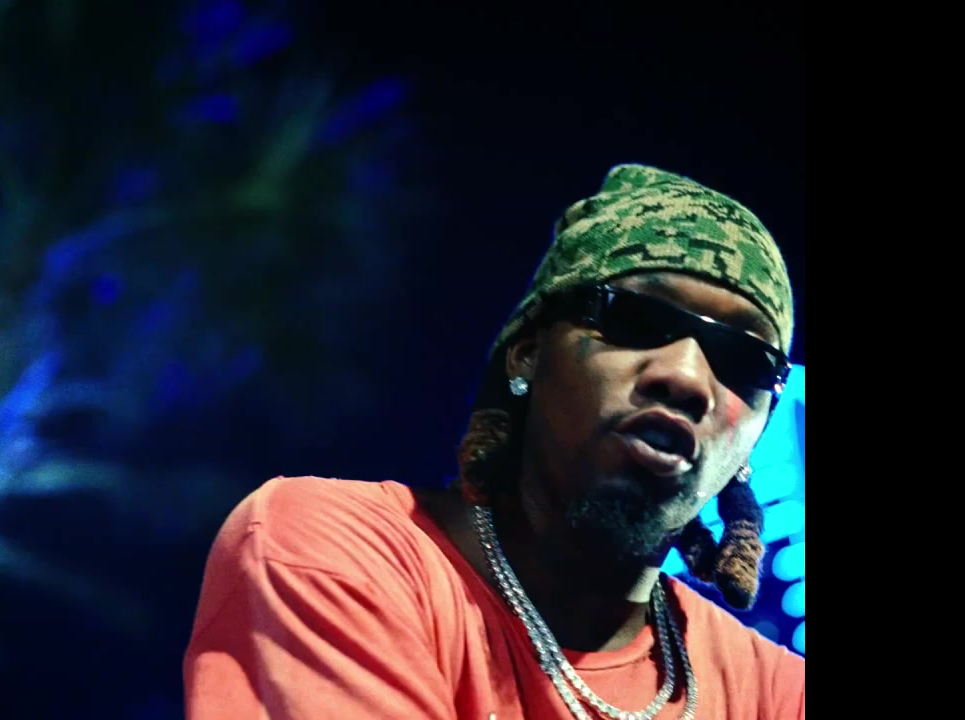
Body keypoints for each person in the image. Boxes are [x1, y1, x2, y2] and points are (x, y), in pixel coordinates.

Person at [183, 164, 805, 719]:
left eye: (744, 360)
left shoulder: (779, 694)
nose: (687, 377)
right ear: (528, 354)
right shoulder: (333, 553)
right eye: (635, 319)